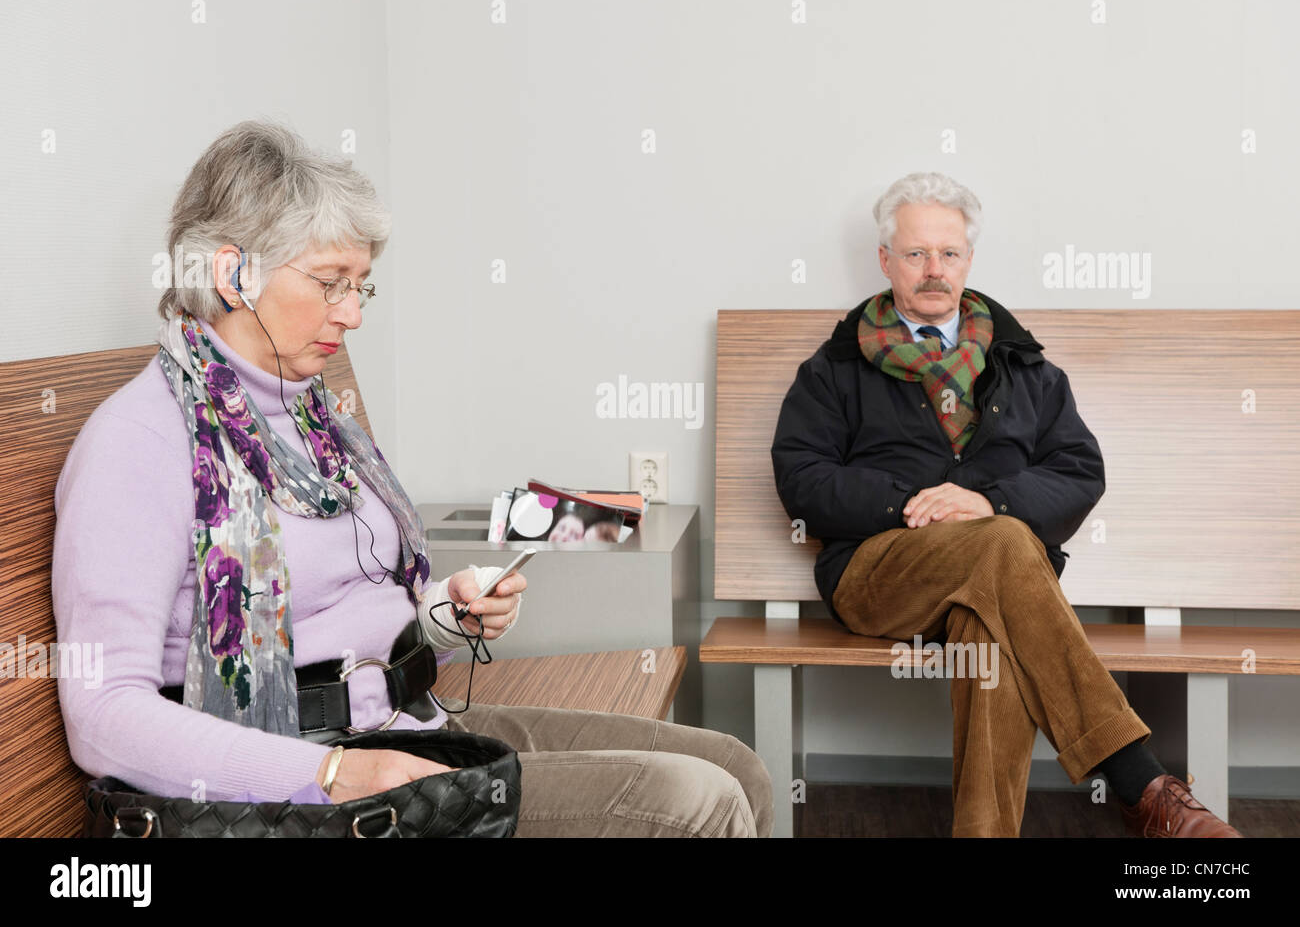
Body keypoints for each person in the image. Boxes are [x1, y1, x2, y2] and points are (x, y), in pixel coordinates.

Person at [52, 119, 770, 837]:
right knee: (691, 801)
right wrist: (330, 776)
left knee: (737, 766)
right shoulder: (138, 442)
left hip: (407, 723)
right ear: (232, 274)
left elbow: (343, 619)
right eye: (332, 284)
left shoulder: (310, 417)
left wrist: (442, 615)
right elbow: (104, 714)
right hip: (305, 777)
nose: (354, 314)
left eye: (362, 286)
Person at [770, 171, 1240, 838]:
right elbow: (802, 479)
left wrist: (987, 501)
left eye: (949, 254)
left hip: (999, 587)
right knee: (1006, 544)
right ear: (884, 260)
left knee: (990, 626)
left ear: (969, 259)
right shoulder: (836, 367)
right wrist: (917, 504)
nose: (934, 270)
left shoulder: (1025, 365)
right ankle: (1143, 784)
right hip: (878, 577)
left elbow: (1080, 471)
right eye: (915, 254)